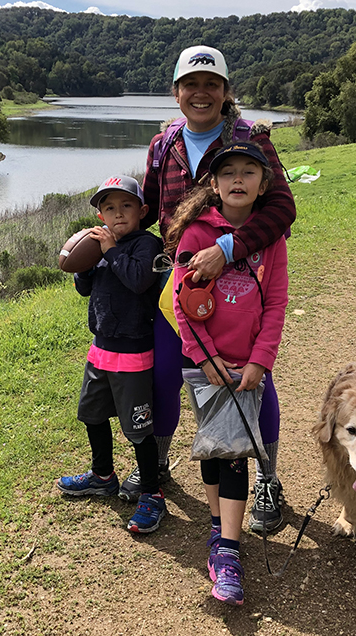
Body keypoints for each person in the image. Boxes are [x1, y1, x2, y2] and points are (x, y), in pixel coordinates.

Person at [120, 45, 297, 534]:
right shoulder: (164, 143)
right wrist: (115, 242)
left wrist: (229, 247)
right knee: (165, 377)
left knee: (249, 378)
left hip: (241, 286)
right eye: (191, 85)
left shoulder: (250, 138)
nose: (201, 94)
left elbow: (283, 210)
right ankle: (154, 468)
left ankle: (267, 476)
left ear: (225, 92)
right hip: (180, 285)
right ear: (177, 92)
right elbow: (153, 209)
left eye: (212, 85)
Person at [169, 139, 289, 605]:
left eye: (249, 172)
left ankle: (229, 552)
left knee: (235, 451)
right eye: (228, 173)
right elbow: (182, 302)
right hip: (206, 366)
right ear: (214, 186)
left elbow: (276, 302)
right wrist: (203, 357)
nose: (238, 179)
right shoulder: (196, 235)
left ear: (263, 186)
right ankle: (220, 530)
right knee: (216, 448)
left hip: (245, 369)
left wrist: (261, 360)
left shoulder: (271, 239)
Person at [56, 175, 167, 534]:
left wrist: (109, 251)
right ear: (101, 215)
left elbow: (138, 281)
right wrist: (82, 264)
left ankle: (152, 493)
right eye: (109, 208)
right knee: (92, 415)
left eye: (126, 206)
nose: (117, 215)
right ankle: (102, 475)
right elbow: (86, 288)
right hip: (101, 349)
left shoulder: (145, 245)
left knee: (138, 428)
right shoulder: (102, 246)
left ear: (142, 210)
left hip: (134, 354)